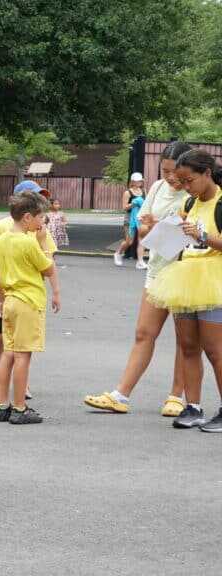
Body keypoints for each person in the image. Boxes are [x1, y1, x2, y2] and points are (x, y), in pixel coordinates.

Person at [83, 141, 193, 415]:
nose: (169, 177)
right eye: (164, 170)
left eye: (174, 172)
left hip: (187, 272)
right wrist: (152, 227)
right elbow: (143, 229)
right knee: (144, 333)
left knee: (185, 339)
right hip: (157, 269)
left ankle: (176, 396)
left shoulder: (196, 191)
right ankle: (121, 395)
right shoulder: (156, 188)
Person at [146, 149, 222, 431]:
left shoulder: (220, 202)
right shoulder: (190, 202)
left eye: (189, 180)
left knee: (215, 350)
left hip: (214, 280)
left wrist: (202, 235)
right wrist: (160, 229)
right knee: (188, 347)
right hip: (185, 278)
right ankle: (193, 407)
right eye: (182, 181)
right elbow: (178, 235)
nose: (185, 186)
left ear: (206, 173)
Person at [0, 191, 61, 425]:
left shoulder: (3, 239)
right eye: (41, 217)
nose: (43, 222)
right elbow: (48, 268)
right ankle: (20, 407)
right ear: (28, 217)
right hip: (28, 302)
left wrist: (0, 299)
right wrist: (42, 243)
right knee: (23, 356)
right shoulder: (29, 242)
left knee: (8, 354)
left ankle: (1, 405)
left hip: (9, 301)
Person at [114, 173, 145, 267]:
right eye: (136, 181)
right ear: (132, 182)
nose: (138, 182)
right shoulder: (128, 192)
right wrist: (134, 203)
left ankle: (140, 261)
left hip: (141, 218)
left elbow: (146, 204)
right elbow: (124, 207)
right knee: (129, 241)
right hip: (129, 219)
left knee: (142, 240)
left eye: (139, 181)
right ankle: (118, 253)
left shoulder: (143, 191)